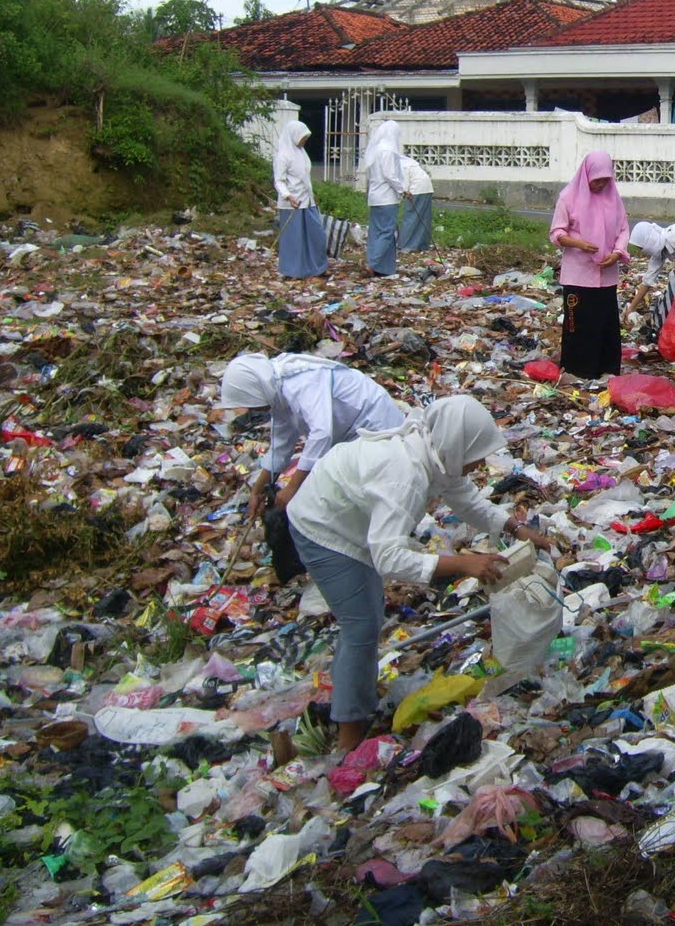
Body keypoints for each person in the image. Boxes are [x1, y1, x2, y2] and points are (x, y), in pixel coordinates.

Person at [286, 396, 552, 753]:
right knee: (361, 627)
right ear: (460, 445)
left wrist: (515, 528)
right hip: (324, 531)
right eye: (477, 453)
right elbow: (390, 558)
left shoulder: (437, 455)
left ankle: (355, 700)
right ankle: (349, 736)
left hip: (350, 524)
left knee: (366, 618)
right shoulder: (405, 473)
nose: (479, 462)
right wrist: (463, 564)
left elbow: (467, 501)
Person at [217, 352, 406, 582]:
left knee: (352, 494)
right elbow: (281, 446)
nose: (255, 411)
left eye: (253, 404)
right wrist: (257, 490)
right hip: (347, 438)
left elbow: (321, 433)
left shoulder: (300, 382)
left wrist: (292, 488)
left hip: (375, 428)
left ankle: (371, 552)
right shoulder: (277, 392)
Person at [550, 150, 629, 379]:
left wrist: (617, 253)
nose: (602, 184)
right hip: (578, 275)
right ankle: (579, 369)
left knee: (605, 323)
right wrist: (579, 244)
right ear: (587, 176)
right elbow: (557, 232)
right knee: (580, 324)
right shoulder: (568, 198)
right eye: (597, 180)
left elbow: (623, 229)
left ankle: (607, 368)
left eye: (606, 180)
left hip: (606, 273)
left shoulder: (613, 198)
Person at [622, 221, 675, 342]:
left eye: (642, 247)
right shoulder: (660, 251)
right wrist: (631, 308)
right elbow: (647, 281)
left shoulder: (674, 238)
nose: (643, 251)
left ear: (649, 239)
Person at [273, 120, 328, 279]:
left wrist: (311, 194)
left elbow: (304, 176)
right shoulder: (282, 156)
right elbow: (279, 181)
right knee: (294, 240)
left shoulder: (301, 153)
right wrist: (288, 196)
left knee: (316, 234)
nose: (305, 141)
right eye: (303, 137)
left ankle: (317, 267)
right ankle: (292, 271)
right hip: (292, 204)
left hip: (307, 201)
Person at [362, 120, 406, 277]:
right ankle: (373, 263)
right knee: (387, 231)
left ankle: (383, 267)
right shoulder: (388, 150)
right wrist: (403, 189)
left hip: (375, 196)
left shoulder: (376, 150)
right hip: (386, 198)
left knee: (376, 232)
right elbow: (390, 175)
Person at [397, 155, 434, 252]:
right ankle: (421, 245)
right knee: (423, 218)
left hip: (416, 190)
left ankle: (405, 245)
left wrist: (404, 193)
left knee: (411, 217)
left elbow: (404, 183)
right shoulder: (410, 163)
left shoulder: (402, 165)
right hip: (427, 188)